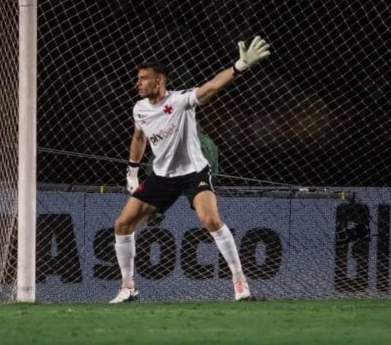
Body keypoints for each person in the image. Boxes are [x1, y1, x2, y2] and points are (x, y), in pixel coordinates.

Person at [109, 36, 271, 303]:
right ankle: (128, 287)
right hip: (161, 176)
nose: (137, 83)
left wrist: (239, 66)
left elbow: (210, 88)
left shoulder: (181, 100)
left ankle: (239, 282)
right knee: (122, 224)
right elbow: (139, 138)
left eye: (143, 78)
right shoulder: (139, 109)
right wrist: (132, 171)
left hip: (193, 173)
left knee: (210, 220)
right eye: (137, 78)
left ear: (159, 81)